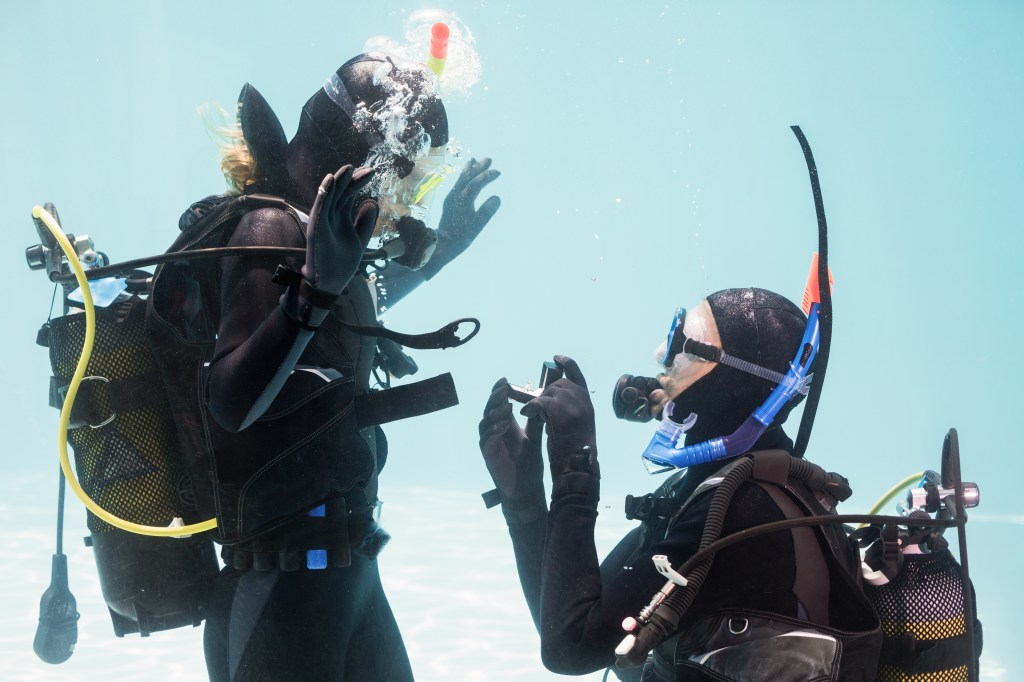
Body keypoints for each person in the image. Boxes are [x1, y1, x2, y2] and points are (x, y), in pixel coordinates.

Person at [197, 52, 500, 681]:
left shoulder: (315, 239)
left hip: (346, 569)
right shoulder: (270, 226)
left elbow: (339, 323)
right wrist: (312, 293)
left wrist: (440, 250)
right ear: (372, 160)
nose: (406, 196)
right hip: (281, 587)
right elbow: (230, 399)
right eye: (408, 176)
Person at [478, 288, 882, 681]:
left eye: (686, 348)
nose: (662, 357)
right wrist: (524, 500)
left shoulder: (741, 512)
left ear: (730, 381)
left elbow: (570, 648)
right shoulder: (709, 488)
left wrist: (575, 466)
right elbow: (573, 617)